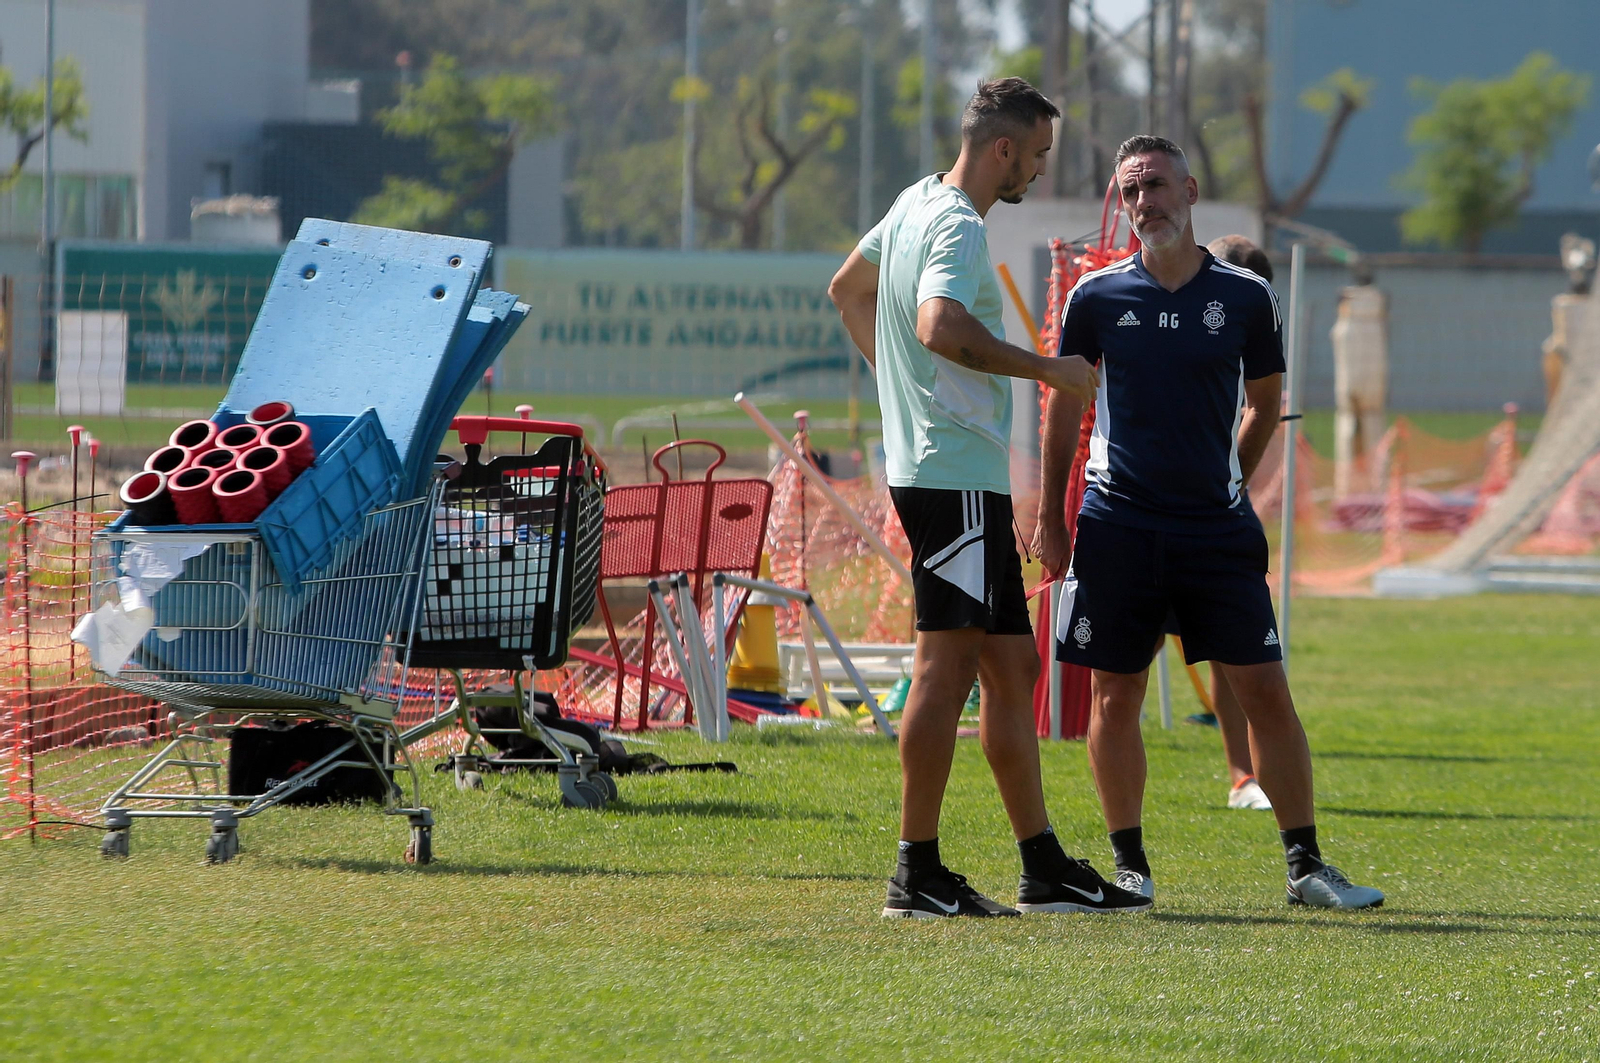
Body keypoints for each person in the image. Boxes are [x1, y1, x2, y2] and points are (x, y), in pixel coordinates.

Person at [1032, 134, 1384, 910]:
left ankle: (1307, 867)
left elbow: (1265, 401)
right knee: (1115, 695)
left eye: (1155, 185)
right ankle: (1131, 870)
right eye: (1130, 192)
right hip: (1117, 523)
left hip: (1215, 532)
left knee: (1264, 688)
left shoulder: (1247, 297)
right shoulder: (1094, 298)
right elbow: (1065, 408)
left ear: (1191, 193)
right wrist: (1051, 517)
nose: (1142, 203)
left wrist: (1231, 478)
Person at [829, 78, 1151, 918]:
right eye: (1037, 155)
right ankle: (916, 870)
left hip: (947, 467)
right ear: (1004, 148)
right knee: (944, 674)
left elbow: (846, 290)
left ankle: (1043, 865)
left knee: (1014, 667)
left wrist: (898, 387)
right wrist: (1045, 367)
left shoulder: (910, 203)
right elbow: (938, 326)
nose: (1038, 173)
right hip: (949, 475)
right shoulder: (958, 225)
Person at [1165, 234, 1276, 814]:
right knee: (1122, 672)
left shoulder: (1249, 330)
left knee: (1238, 655)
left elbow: (1261, 411)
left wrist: (1226, 486)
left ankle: (1244, 775)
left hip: (1215, 514)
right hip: (1140, 514)